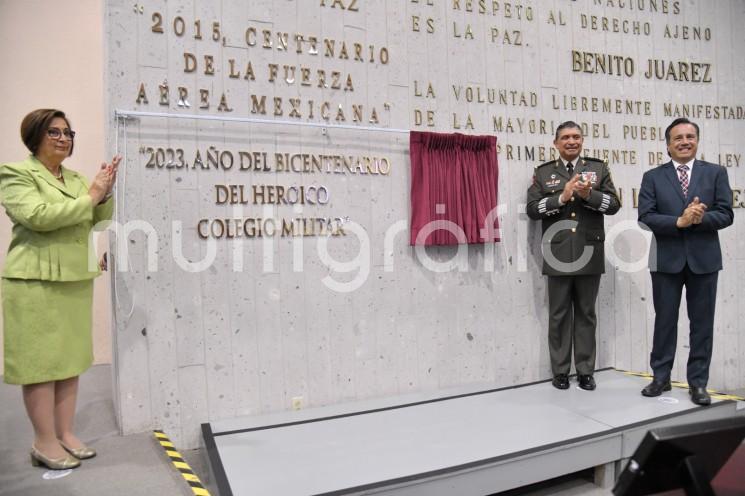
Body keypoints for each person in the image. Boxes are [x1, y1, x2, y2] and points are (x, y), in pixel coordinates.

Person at [1, 109, 119, 469]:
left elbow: (99, 218)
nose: (63, 138)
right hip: (35, 280)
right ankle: (43, 440)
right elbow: (37, 216)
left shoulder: (77, 178)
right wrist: (90, 197)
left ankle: (65, 433)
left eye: (68, 132)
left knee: (69, 361)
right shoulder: (15, 174)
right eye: (54, 132)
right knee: (41, 363)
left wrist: (105, 193)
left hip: (74, 278)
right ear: (34, 135)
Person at [638, 117, 733, 406]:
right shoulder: (652, 177)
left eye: (690, 136)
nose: (684, 141)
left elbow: (726, 214)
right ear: (668, 145)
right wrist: (679, 221)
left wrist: (700, 218)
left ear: (697, 141)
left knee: (701, 324)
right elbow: (645, 217)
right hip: (666, 260)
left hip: (704, 261)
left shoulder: (715, 173)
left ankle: (698, 383)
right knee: (665, 322)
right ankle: (661, 377)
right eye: (678, 138)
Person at [527, 121, 620, 391]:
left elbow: (614, 205)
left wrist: (589, 194)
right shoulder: (544, 173)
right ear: (555, 143)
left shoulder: (597, 168)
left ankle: (585, 371)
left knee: (586, 313)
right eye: (566, 137)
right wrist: (562, 197)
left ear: (582, 140)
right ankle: (560, 372)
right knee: (558, 314)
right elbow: (533, 209)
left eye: (576, 137)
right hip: (557, 253)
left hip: (589, 250)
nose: (572, 141)